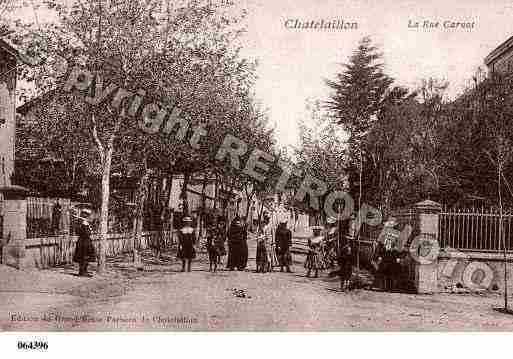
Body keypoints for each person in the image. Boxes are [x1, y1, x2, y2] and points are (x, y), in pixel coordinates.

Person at [73, 209, 96, 277]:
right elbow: (86, 233)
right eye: (87, 215)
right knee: (83, 257)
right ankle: (82, 272)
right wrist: (88, 228)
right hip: (84, 242)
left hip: (84, 241)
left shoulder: (84, 223)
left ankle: (84, 271)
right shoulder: (82, 223)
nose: (88, 217)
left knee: (86, 257)